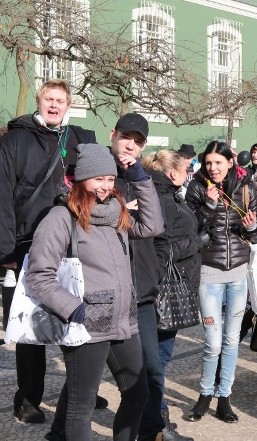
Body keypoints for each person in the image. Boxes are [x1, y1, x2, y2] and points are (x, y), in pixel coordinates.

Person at [26, 143, 163, 441]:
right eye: (98, 179)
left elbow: (153, 225)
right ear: (82, 179)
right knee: (81, 406)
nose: (105, 186)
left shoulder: (117, 213)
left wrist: (139, 176)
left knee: (138, 394)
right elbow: (38, 275)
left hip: (122, 322)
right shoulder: (61, 218)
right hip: (86, 326)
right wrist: (74, 309)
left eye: (110, 179)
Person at [0, 79, 102, 424]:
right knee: (30, 323)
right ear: (40, 102)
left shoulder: (80, 139)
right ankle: (27, 398)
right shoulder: (15, 139)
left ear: (68, 104)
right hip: (27, 244)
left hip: (74, 243)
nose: (54, 105)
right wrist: (6, 250)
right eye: (49, 99)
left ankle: (81, 391)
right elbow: (2, 196)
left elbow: (98, 184)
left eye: (60, 100)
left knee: (74, 312)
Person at [185, 140, 257, 423]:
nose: (213, 168)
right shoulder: (196, 187)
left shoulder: (245, 189)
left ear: (231, 162)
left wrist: (252, 227)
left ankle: (224, 398)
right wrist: (209, 203)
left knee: (231, 341)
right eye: (208, 163)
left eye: (218, 162)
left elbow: (256, 235)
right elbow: (190, 227)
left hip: (238, 274)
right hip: (209, 274)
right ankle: (205, 394)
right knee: (213, 342)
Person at [143, 149, 204, 440]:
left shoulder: (165, 194)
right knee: (157, 362)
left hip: (169, 288)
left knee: (157, 362)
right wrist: (196, 242)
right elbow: (159, 250)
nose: (189, 171)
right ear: (171, 173)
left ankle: (155, 421)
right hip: (163, 292)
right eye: (185, 167)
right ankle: (157, 424)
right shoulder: (162, 199)